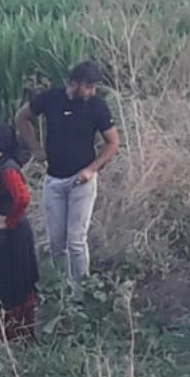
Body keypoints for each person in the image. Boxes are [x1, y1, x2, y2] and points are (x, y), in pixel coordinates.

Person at [14, 60, 120, 288]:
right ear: (73, 83)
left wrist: (91, 169)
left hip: (81, 182)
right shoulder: (51, 99)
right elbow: (21, 118)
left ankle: (82, 292)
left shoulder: (97, 107)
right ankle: (62, 289)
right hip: (54, 180)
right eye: (88, 86)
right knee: (56, 243)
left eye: (93, 87)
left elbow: (112, 143)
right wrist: (35, 149)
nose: (91, 92)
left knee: (76, 242)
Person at [0, 124, 40, 345]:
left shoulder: (8, 170)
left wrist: (8, 221)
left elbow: (22, 198)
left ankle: (13, 337)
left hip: (10, 240)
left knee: (9, 287)